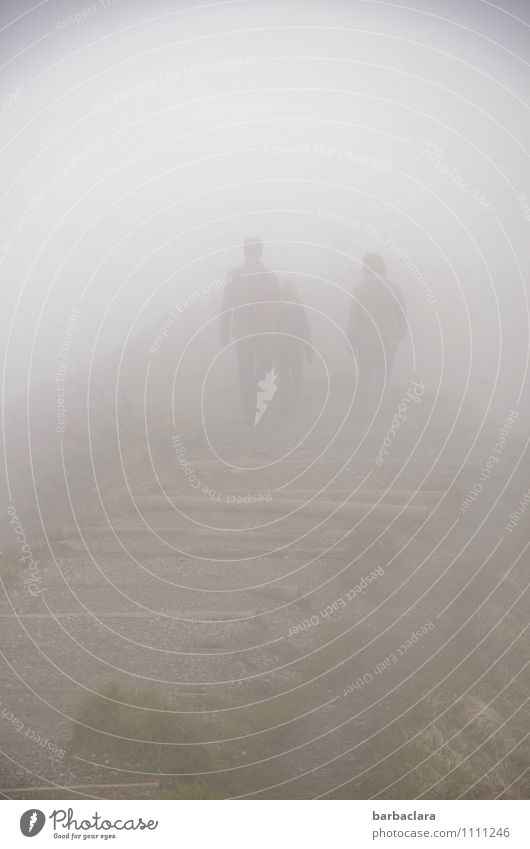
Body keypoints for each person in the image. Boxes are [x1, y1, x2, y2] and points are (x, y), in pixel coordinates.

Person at [220, 238, 280, 423]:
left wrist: (223, 332)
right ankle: (263, 410)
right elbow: (277, 306)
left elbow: (226, 306)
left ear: (244, 252)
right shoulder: (270, 277)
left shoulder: (233, 275)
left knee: (245, 369)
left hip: (242, 330)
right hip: (266, 331)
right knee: (264, 370)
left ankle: (247, 409)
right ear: (260, 252)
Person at [347, 253, 407, 411]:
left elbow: (354, 319)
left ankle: (360, 411)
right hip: (387, 342)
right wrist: (399, 333)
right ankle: (382, 412)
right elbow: (402, 313)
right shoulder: (392, 287)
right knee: (383, 380)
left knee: (364, 378)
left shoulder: (359, 290)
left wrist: (351, 342)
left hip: (365, 343)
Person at [275, 280, 314, 415]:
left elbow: (271, 330)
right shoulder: (298, 307)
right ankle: (293, 407)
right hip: (295, 349)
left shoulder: (276, 307)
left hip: (279, 349)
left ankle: (283, 407)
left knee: (283, 378)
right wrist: (309, 350)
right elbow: (305, 329)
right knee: (296, 378)